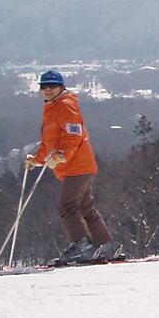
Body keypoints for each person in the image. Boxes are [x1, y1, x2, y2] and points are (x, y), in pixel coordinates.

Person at [24, 70, 118, 264]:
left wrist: (62, 156)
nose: (48, 90)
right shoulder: (51, 110)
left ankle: (82, 248)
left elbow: (73, 134)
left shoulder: (65, 105)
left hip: (78, 165)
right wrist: (36, 160)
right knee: (85, 207)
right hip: (76, 166)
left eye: (52, 86)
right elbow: (49, 144)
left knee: (67, 206)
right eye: (44, 86)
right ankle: (105, 247)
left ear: (62, 87)